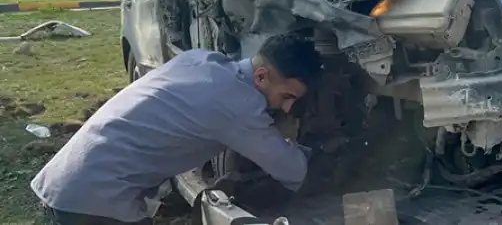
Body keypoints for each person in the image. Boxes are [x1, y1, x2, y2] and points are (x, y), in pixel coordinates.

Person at [31, 34, 323, 225]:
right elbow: (293, 171)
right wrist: (331, 161)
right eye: (287, 97)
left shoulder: (200, 59)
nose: (286, 109)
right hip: (95, 201)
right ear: (261, 76)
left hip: (67, 178)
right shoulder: (237, 105)